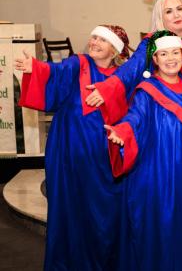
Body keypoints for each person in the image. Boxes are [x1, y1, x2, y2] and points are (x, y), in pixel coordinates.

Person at [15, 25, 130, 270]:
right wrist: (35, 68)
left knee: (104, 207)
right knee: (69, 206)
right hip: (68, 148)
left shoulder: (122, 77)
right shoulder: (79, 63)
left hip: (103, 154)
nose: (94, 42)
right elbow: (55, 71)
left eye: (102, 40)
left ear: (115, 50)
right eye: (94, 37)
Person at [105, 31, 182, 271]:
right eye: (163, 54)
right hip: (161, 174)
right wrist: (122, 132)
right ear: (154, 59)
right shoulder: (147, 92)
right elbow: (135, 118)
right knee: (165, 228)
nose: (170, 59)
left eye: (175, 53)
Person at [84, 0, 182, 118]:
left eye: (180, 9)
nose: (176, 15)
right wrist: (109, 87)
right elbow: (133, 66)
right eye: (168, 11)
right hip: (164, 114)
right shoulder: (152, 42)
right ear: (160, 17)